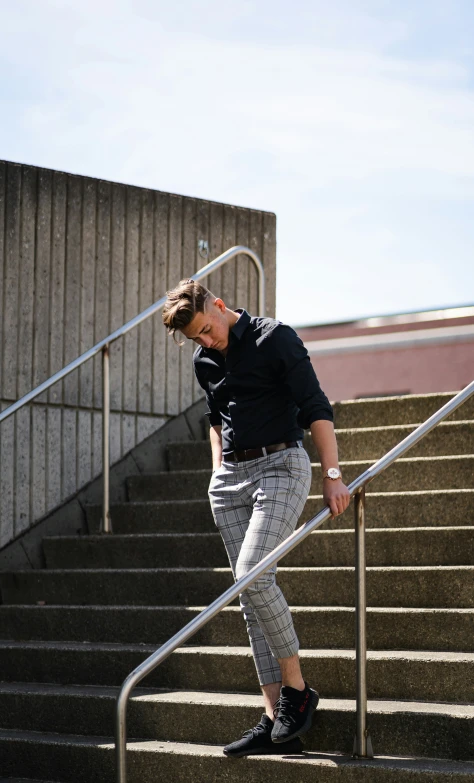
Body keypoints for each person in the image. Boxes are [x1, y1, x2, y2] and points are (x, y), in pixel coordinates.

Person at [162, 279, 350, 758]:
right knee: (247, 597)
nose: (206, 342)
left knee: (252, 574)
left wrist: (332, 474)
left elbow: (315, 406)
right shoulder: (204, 359)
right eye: (196, 338)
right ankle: (274, 720)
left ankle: (297, 692)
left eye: (207, 329)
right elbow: (214, 416)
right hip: (232, 480)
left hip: (280, 466)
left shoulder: (275, 337)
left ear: (220, 306)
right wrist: (216, 473)